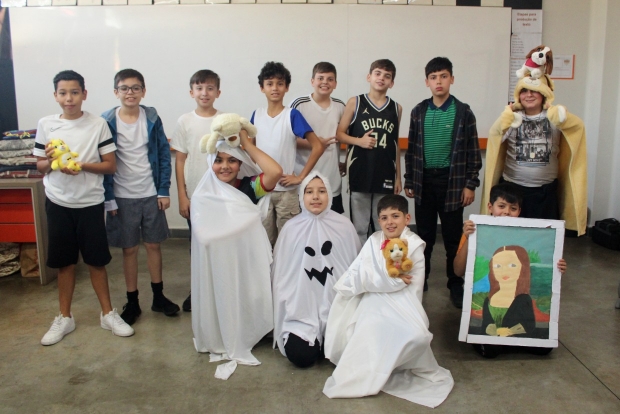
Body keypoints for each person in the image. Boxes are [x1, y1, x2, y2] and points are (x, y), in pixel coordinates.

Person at [323, 195, 453, 408]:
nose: (390, 222)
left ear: (407, 218)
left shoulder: (414, 245)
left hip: (405, 302)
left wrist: (379, 279)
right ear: (379, 220)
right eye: (384, 218)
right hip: (374, 298)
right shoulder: (373, 240)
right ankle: (371, 367)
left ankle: (389, 363)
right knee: (370, 323)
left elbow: (405, 284)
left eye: (395, 216)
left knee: (415, 335)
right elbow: (358, 273)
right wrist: (385, 279)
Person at [34, 70, 134, 345]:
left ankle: (107, 314)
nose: (69, 98)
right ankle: (64, 317)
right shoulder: (46, 124)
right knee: (64, 263)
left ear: (84, 94)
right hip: (58, 202)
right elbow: (40, 165)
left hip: (90, 203)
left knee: (96, 261)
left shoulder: (98, 124)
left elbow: (110, 166)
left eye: (75, 92)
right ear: (56, 96)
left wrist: (80, 166)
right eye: (63, 93)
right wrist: (52, 161)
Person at [191, 130, 282, 378]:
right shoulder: (203, 195)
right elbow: (204, 236)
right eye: (218, 160)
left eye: (232, 160)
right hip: (218, 265)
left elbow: (275, 172)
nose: (225, 166)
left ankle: (249, 329)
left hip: (246, 262)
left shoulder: (248, 187)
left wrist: (245, 144)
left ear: (240, 163)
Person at [102, 69, 179, 326]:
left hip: (151, 193)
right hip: (122, 195)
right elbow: (103, 159)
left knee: (154, 245)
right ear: (116, 92)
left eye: (136, 88)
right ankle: (132, 301)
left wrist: (164, 190)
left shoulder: (152, 117)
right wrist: (109, 197)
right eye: (124, 88)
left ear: (143, 91)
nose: (130, 93)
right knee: (130, 249)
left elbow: (163, 154)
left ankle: (158, 296)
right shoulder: (106, 121)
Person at [454, 182, 567, 358]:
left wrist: (557, 267)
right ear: (490, 207)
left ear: (519, 211)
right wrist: (468, 238)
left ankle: (511, 341)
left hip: (517, 315)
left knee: (544, 348)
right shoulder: (476, 231)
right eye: (501, 206)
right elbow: (457, 271)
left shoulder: (530, 235)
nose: (506, 212)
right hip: (493, 314)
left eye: (513, 208)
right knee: (490, 351)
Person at [403, 57, 482, 309]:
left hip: (452, 183)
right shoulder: (418, 111)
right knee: (424, 235)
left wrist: (470, 184)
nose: (439, 81)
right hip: (424, 181)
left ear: (452, 79)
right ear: (427, 81)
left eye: (444, 76)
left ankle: (455, 282)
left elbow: (473, 151)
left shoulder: (463, 112)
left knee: (452, 237)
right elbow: (412, 149)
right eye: (434, 77)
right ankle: (421, 278)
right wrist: (409, 179)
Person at [481, 72, 587, 237]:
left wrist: (559, 113)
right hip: (513, 190)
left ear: (543, 93)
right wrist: (507, 115)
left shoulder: (555, 117)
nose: (528, 95)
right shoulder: (512, 118)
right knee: (510, 237)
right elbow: (496, 135)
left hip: (544, 193)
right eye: (524, 91)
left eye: (534, 91)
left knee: (542, 239)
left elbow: (576, 127)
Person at [271, 172, 360, 368]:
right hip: (300, 313)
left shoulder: (344, 226)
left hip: (338, 311)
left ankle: (328, 334)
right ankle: (313, 337)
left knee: (342, 352)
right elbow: (282, 275)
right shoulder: (291, 229)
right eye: (309, 191)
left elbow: (354, 268)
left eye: (322, 191)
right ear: (302, 196)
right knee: (301, 356)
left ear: (329, 195)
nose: (316, 197)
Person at [251, 61, 324, 246]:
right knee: (264, 241)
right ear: (262, 88)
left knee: (289, 241)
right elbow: (250, 149)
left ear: (287, 87)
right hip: (262, 189)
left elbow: (317, 146)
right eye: (269, 84)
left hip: (286, 191)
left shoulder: (291, 115)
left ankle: (286, 267)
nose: (275, 88)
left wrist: (300, 177)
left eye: (280, 83)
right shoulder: (256, 115)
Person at [170, 69, 222, 312]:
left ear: (218, 92)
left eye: (210, 88)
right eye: (199, 88)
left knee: (219, 244)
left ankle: (219, 288)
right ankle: (198, 290)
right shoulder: (185, 121)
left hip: (220, 195)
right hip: (195, 196)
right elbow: (180, 160)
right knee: (197, 245)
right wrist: (183, 195)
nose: (204, 93)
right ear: (191, 92)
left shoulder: (224, 121)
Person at [337, 59, 402, 245]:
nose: (381, 78)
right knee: (359, 226)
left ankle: (380, 260)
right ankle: (361, 260)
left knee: (383, 224)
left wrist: (398, 177)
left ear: (392, 83)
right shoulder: (355, 102)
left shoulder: (396, 108)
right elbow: (339, 134)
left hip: (385, 172)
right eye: (378, 73)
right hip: (360, 170)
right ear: (369, 77)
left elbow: (395, 144)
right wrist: (359, 141)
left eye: (387, 76)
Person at [289, 62, 346, 213]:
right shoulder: (299, 104)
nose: (325, 82)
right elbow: (287, 138)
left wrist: (347, 162)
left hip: (331, 179)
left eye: (330, 79)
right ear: (312, 81)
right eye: (320, 78)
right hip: (303, 178)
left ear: (335, 84)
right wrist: (314, 144)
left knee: (332, 224)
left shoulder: (341, 106)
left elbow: (348, 136)